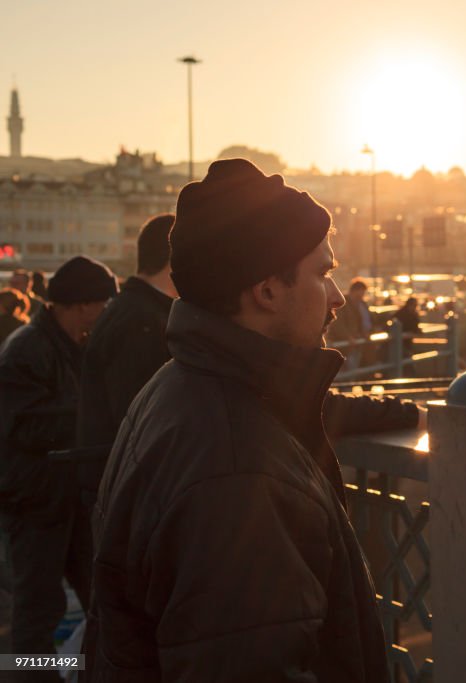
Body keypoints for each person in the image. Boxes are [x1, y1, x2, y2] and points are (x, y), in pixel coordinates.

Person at [87, 159, 420, 681]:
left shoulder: (177, 388)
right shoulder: (238, 470)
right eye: (323, 273)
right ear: (266, 290)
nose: (336, 298)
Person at [0, 255, 118, 674]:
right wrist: (93, 413)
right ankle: (29, 674)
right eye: (105, 303)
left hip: (68, 498)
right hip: (37, 503)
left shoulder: (68, 345)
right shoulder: (27, 349)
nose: (107, 313)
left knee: (102, 599)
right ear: (85, 304)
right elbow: (23, 426)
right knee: (36, 615)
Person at [76, 214, 178, 497]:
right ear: (175, 259)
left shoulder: (134, 309)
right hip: (131, 488)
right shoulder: (141, 320)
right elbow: (140, 418)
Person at [331, 278, 373, 370]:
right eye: (362, 292)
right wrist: (347, 337)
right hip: (344, 344)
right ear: (355, 290)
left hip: (355, 343)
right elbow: (337, 323)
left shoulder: (360, 303)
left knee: (354, 369)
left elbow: (362, 321)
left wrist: (364, 333)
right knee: (345, 370)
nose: (363, 295)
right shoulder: (342, 303)